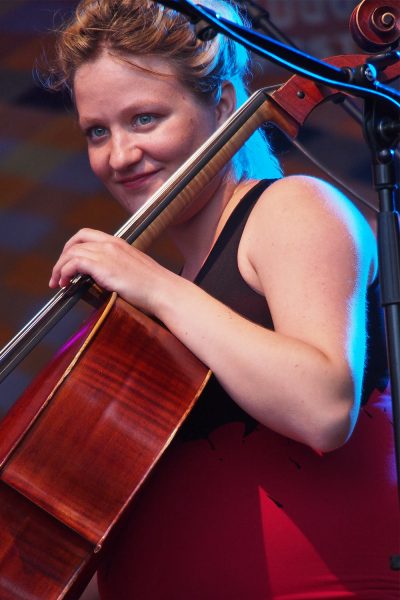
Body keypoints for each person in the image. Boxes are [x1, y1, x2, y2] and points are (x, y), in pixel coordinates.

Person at [45, 0, 399, 597]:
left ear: (224, 107)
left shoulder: (293, 209)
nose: (120, 155)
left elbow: (322, 408)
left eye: (146, 118)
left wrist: (154, 286)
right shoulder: (169, 290)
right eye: (97, 131)